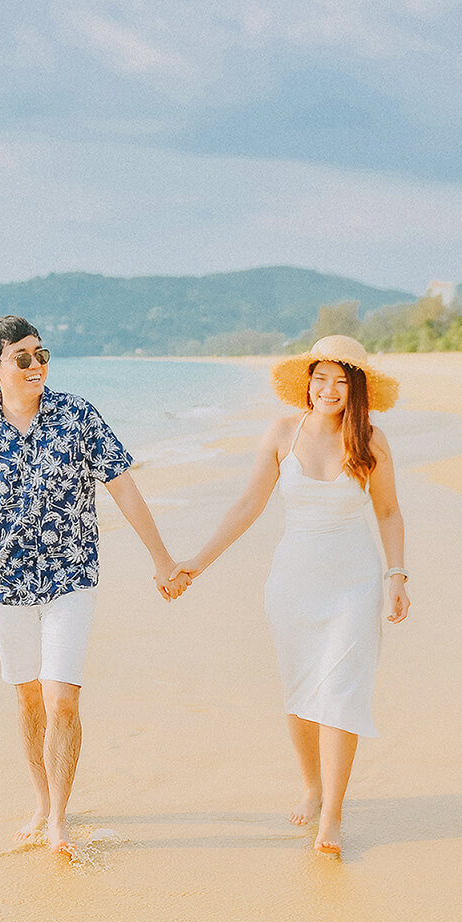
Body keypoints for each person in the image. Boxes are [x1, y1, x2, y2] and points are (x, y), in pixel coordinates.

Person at [0, 315, 183, 861]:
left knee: (61, 699)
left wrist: (162, 558)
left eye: (42, 353)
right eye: (22, 358)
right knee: (28, 698)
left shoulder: (77, 416)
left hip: (71, 578)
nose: (37, 365)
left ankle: (57, 820)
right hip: (5, 585)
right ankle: (41, 800)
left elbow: (123, 486)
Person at [170, 334, 409, 859]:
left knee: (342, 693)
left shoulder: (371, 440)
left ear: (356, 389)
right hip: (294, 583)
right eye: (320, 378)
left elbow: (388, 512)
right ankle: (312, 784)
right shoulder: (282, 432)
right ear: (307, 381)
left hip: (355, 582)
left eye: (340, 382)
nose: (328, 389)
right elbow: (248, 504)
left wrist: (397, 575)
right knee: (302, 692)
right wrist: (198, 561)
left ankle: (332, 813)